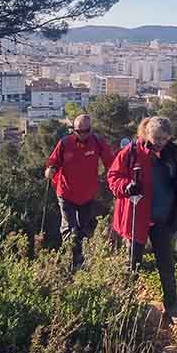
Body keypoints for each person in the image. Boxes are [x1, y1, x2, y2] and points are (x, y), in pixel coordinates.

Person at [107, 116, 177, 323]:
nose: (160, 142)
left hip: (162, 217)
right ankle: (125, 306)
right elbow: (113, 177)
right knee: (132, 265)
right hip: (136, 217)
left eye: (164, 139)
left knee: (166, 264)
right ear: (147, 134)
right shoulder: (131, 152)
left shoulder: (172, 152)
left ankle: (172, 306)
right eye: (156, 138)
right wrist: (126, 186)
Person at [45, 114, 115, 268]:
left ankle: (78, 260)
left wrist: (117, 179)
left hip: (87, 194)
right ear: (73, 129)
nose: (82, 134)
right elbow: (53, 161)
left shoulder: (98, 142)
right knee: (70, 229)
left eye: (85, 131)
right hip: (66, 192)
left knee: (82, 229)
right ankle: (71, 261)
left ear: (91, 129)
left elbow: (111, 162)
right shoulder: (65, 143)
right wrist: (51, 169)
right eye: (78, 131)